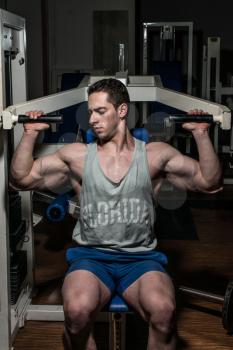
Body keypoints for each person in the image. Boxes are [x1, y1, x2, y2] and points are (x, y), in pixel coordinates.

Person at [10, 78, 222, 350]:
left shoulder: (155, 156)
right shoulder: (77, 157)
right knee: (76, 311)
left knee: (164, 310)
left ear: (122, 111)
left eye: (101, 111)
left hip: (141, 259)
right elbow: (21, 179)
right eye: (90, 112)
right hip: (91, 258)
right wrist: (30, 134)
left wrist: (201, 134)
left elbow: (209, 181)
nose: (93, 119)